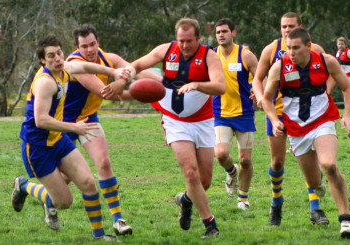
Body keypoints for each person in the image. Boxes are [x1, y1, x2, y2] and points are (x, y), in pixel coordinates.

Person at [101, 18, 226, 238]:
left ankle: (185, 201)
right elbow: (136, 65)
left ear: (198, 38)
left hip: (203, 120)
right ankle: (210, 225)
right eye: (181, 40)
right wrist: (122, 79)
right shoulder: (167, 50)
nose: (185, 45)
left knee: (204, 181)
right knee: (190, 172)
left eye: (189, 41)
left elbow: (220, 86)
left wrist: (197, 84)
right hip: (174, 120)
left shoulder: (209, 56)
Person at [11, 35, 127, 241]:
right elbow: (41, 120)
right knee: (64, 202)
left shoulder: (64, 67)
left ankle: (99, 236)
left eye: (59, 53)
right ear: (42, 61)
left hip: (58, 140)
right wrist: (74, 127)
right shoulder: (45, 82)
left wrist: (113, 71)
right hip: (38, 146)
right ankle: (24, 186)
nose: (57, 58)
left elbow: (85, 68)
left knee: (88, 182)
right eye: (51, 56)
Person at [63, 24, 161, 236]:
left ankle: (118, 219)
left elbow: (136, 71)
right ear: (76, 47)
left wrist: (165, 85)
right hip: (63, 123)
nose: (89, 50)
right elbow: (105, 92)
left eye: (92, 44)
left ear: (98, 42)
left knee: (104, 162)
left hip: (89, 119)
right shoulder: (74, 63)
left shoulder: (109, 58)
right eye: (84, 46)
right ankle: (26, 187)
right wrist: (141, 94)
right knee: (64, 181)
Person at [261, 28, 350, 238]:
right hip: (296, 130)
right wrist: (275, 120)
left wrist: (347, 116)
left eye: (296, 48)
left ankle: (346, 220)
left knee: (330, 164)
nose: (291, 53)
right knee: (313, 183)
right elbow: (266, 99)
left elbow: (347, 88)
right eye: (288, 48)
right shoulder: (279, 67)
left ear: (308, 46)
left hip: (322, 121)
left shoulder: (326, 61)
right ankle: (319, 181)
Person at [250, 12, 327, 226]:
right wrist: (259, 93)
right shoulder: (270, 50)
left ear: (300, 27)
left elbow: (329, 75)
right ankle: (276, 202)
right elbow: (256, 78)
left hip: (306, 115)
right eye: (283, 26)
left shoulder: (314, 50)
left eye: (290, 26)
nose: (286, 30)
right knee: (277, 161)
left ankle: (316, 209)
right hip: (277, 113)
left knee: (309, 162)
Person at [212, 18, 259, 210]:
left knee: (246, 159)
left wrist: (258, 91)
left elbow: (260, 76)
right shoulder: (211, 55)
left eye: (224, 31)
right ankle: (232, 173)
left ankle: (243, 198)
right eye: (218, 32)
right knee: (221, 154)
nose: (221, 35)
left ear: (234, 33)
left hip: (244, 113)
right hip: (220, 113)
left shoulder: (246, 55)